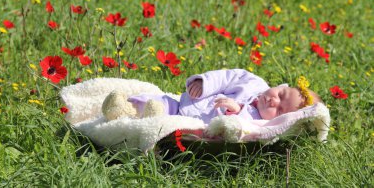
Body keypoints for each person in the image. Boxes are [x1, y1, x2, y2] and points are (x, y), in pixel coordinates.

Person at [102, 69, 321, 123]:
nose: (274, 101)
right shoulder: (255, 83)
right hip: (186, 104)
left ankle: (141, 119)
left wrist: (239, 111)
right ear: (281, 86)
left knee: (166, 123)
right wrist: (203, 83)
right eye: (281, 94)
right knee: (161, 102)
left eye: (280, 110)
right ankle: (125, 107)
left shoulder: (258, 122)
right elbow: (226, 77)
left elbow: (240, 131)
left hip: (192, 127)